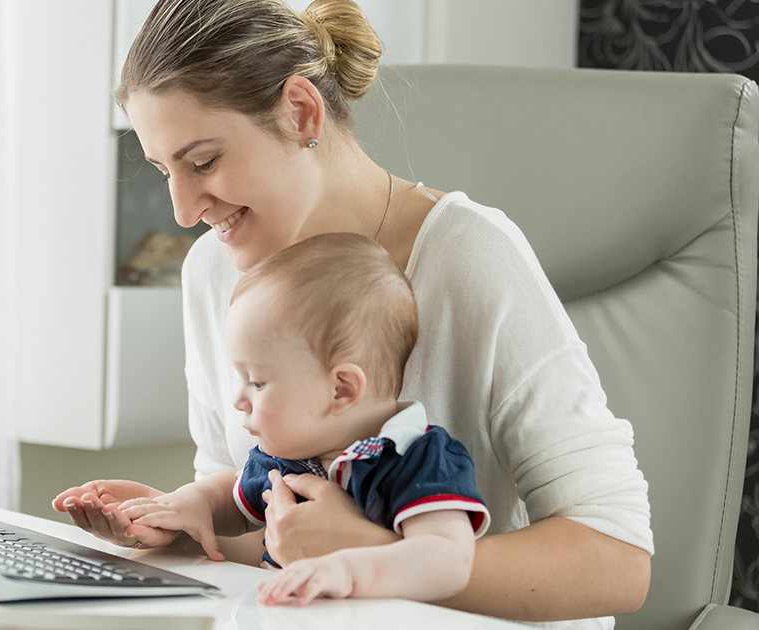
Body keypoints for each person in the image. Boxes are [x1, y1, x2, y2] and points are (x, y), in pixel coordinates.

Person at [53, 0, 653, 626]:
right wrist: (178, 524)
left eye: (203, 162)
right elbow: (263, 530)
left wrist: (371, 553)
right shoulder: (212, 270)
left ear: (301, 111)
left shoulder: (467, 254)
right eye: (163, 170)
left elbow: (617, 561)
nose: (180, 211)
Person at [118, 232, 491, 605]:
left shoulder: (417, 457)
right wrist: (185, 505)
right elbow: (232, 500)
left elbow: (450, 560)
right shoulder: (292, 452)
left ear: (341, 390)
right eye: (240, 378)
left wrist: (347, 570)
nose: (238, 399)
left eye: (258, 381)